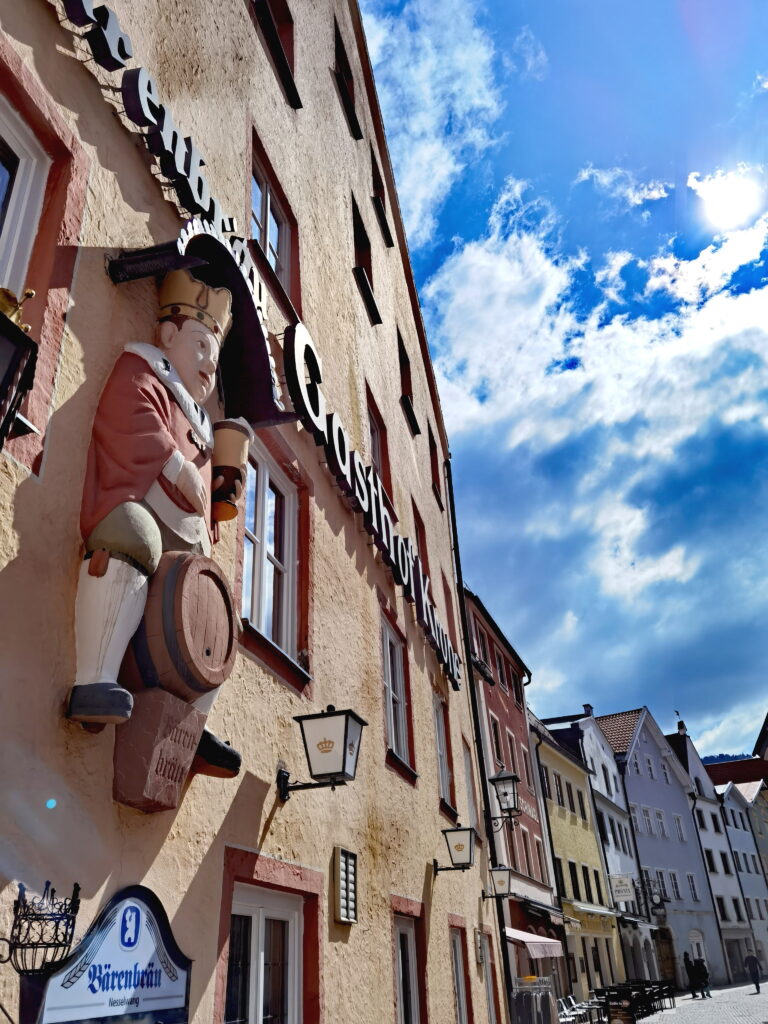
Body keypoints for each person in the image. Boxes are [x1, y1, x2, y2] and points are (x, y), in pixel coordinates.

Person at [67, 269, 242, 777]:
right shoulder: (144, 367)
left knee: (219, 616)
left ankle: (190, 727)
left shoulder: (207, 425)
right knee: (132, 537)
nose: (209, 363)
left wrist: (220, 496)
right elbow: (128, 416)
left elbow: (204, 499)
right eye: (200, 345)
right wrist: (175, 465)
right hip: (133, 505)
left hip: (183, 543)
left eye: (215, 353)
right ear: (168, 336)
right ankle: (94, 678)